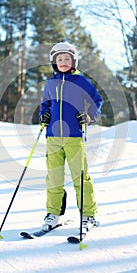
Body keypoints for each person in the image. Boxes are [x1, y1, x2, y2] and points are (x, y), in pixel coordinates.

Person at [40, 42, 103, 232]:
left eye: (67, 58)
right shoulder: (51, 83)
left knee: (80, 177)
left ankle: (88, 215)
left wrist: (89, 116)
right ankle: (54, 214)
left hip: (74, 136)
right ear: (54, 62)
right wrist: (43, 115)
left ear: (74, 61)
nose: (63, 62)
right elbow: (45, 104)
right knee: (54, 178)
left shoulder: (81, 81)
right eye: (59, 59)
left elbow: (96, 100)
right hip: (53, 137)